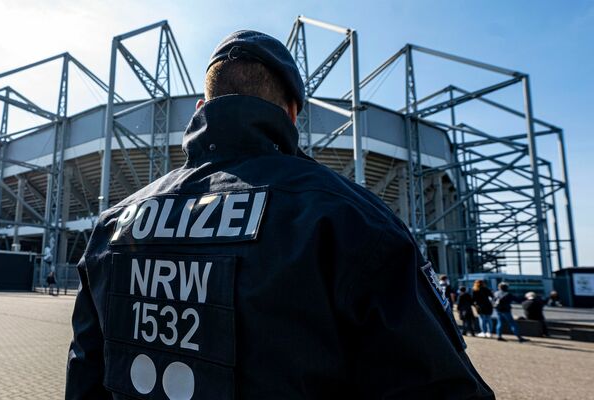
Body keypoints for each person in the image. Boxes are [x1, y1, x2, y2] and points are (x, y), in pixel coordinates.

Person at [65, 30, 493, 399]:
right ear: (290, 113)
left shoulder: (112, 227)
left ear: (200, 108)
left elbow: (84, 376)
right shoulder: (350, 221)